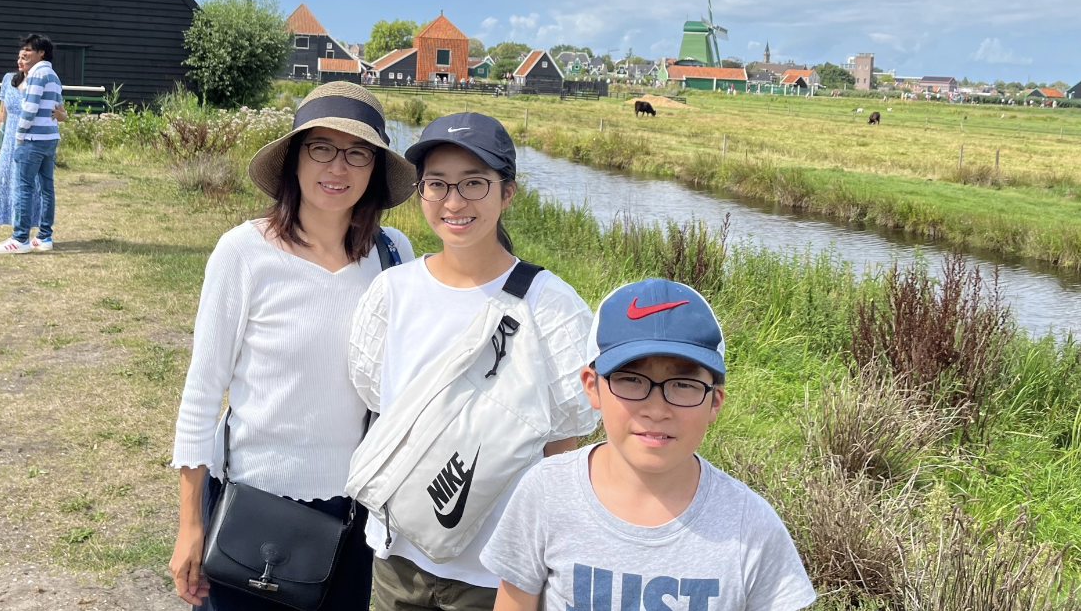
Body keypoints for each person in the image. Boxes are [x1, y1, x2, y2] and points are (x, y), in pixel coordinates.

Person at [169, 82, 419, 610]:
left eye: (358, 153)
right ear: (294, 159)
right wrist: (190, 522)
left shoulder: (395, 255)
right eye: (321, 148)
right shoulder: (245, 253)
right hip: (251, 504)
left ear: (375, 169)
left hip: (354, 511)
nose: (338, 168)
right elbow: (201, 391)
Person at [349, 112, 597, 611]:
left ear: (508, 192)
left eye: (475, 184)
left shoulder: (551, 305)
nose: (454, 202)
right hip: (397, 556)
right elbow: (377, 399)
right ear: (420, 191)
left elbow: (563, 446)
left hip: (501, 572)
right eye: (437, 184)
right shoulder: (391, 293)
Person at [482, 279, 816, 611]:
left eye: (683, 384)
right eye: (631, 379)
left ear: (715, 401)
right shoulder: (546, 493)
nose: (656, 410)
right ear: (592, 386)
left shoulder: (750, 524)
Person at [0, 46, 66, 249]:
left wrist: (58, 115)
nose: (20, 60)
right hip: (10, 138)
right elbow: (2, 111)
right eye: (19, 57)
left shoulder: (42, 79)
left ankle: (28, 235)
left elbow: (60, 111)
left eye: (25, 56)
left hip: (29, 137)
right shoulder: (9, 79)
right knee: (1, 182)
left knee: (29, 186)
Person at [0, 34, 62, 254]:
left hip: (32, 140)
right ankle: (44, 236)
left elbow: (29, 108)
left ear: (41, 53)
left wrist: (19, 135)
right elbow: (58, 109)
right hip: (49, 138)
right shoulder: (53, 75)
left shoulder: (36, 76)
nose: (24, 53)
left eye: (29, 50)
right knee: (46, 188)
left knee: (24, 187)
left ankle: (20, 238)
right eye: (23, 50)